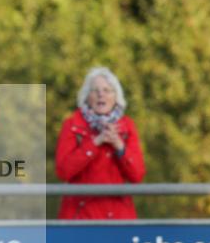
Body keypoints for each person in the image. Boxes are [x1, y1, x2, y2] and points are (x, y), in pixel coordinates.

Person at [54, 66, 145, 219]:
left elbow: (137, 175)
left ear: (116, 97)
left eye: (107, 90)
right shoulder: (72, 125)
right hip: (81, 216)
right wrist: (95, 143)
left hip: (119, 217)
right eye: (95, 91)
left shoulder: (127, 126)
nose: (101, 95)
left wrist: (119, 146)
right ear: (87, 97)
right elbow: (63, 171)